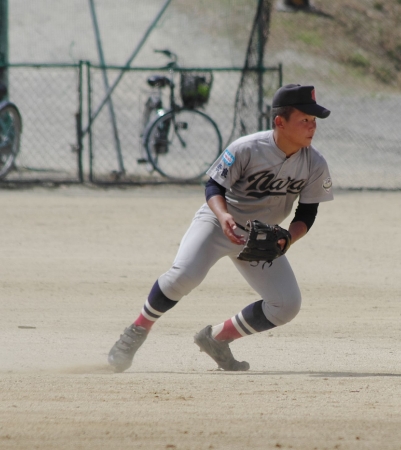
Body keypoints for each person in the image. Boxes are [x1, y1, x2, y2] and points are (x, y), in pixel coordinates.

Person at [108, 84, 333, 372]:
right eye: (304, 119)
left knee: (286, 305)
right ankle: (137, 330)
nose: (312, 126)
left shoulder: (315, 163)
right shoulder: (247, 148)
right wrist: (223, 215)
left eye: (314, 120)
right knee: (184, 276)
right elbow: (214, 185)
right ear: (280, 121)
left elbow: (307, 212)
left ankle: (217, 338)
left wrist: (289, 237)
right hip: (217, 223)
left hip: (260, 237)